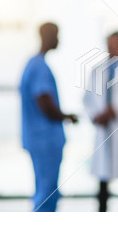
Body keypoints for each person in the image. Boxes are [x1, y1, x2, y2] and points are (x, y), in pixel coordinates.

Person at [20, 22, 78, 212]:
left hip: (39, 139)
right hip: (45, 140)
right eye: (57, 35)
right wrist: (66, 116)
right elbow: (44, 102)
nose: (59, 39)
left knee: (44, 191)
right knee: (47, 194)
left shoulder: (33, 64)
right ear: (48, 36)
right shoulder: (40, 67)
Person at [83, 31, 118, 212]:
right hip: (103, 130)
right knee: (103, 182)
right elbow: (88, 99)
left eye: (115, 44)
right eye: (109, 43)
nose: (111, 48)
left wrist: (115, 110)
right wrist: (96, 115)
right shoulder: (96, 71)